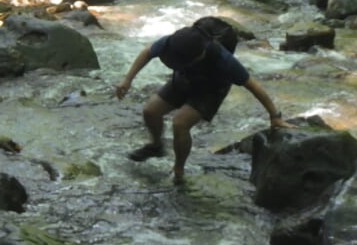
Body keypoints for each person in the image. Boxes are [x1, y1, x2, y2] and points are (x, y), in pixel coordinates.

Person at [115, 21, 294, 183]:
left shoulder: (223, 60)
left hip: (211, 89)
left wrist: (274, 117)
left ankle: (178, 170)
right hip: (185, 79)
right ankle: (156, 146)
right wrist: (127, 80)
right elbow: (147, 52)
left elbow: (254, 87)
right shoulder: (174, 42)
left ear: (199, 56)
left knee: (180, 123)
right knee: (150, 112)